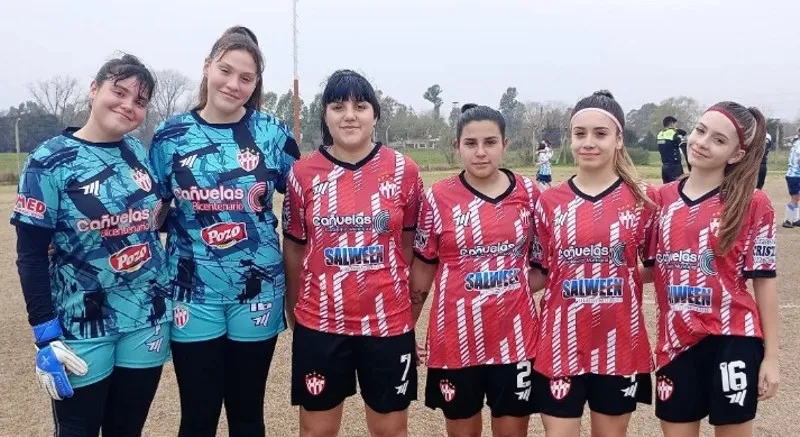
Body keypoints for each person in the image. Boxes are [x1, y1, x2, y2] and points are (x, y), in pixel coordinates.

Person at [148, 26, 299, 437]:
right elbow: (152, 209)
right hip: (191, 293)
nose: (233, 84)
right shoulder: (170, 135)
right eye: (225, 70)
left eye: (245, 78)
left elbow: (306, 199)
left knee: (247, 414)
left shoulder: (273, 133)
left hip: (258, 290)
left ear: (255, 85)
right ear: (207, 67)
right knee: (198, 416)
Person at [12, 54, 170, 436]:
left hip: (146, 318)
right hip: (80, 326)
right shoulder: (48, 161)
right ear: (94, 89)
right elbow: (30, 255)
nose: (128, 106)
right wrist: (44, 332)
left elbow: (154, 218)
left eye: (139, 101)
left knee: (127, 429)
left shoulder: (138, 153)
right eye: (119, 92)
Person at [282, 69, 423, 437]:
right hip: (321, 322)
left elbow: (407, 244)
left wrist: (403, 304)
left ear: (375, 114)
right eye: (337, 105)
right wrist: (295, 309)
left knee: (391, 431)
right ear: (325, 115)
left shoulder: (403, 171)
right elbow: (295, 246)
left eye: (360, 106)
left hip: (387, 324)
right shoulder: (303, 173)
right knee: (317, 432)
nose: (349, 115)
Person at [645, 102, 779, 437]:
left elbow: (764, 281)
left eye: (719, 140)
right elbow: (650, 268)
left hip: (733, 340)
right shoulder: (660, 199)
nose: (702, 142)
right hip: (675, 341)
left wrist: (772, 358)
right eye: (700, 130)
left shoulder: (753, 202)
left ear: (736, 154)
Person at [530, 90, 657, 437]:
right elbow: (541, 269)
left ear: (619, 139)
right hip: (559, 341)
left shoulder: (642, 200)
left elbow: (659, 265)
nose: (588, 142)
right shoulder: (549, 201)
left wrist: (624, 275)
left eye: (600, 134)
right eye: (579, 133)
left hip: (620, 344)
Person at [410, 104, 540, 437]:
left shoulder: (530, 194)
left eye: (490, 142)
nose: (480, 152)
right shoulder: (437, 198)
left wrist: (512, 286)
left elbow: (545, 265)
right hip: (454, 338)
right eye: (470, 143)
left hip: (516, 340)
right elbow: (424, 267)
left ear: (505, 144)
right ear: (457, 146)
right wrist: (405, 327)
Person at [658, 116, 685, 183]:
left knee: (666, 189)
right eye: (675, 124)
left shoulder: (660, 134)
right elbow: (684, 146)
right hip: (674, 167)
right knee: (677, 188)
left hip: (664, 167)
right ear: (671, 124)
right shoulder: (674, 133)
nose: (676, 126)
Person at [782, 128, 800, 227]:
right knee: (795, 198)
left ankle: (796, 219)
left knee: (798, 197)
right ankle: (788, 220)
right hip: (795, 175)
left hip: (794, 175)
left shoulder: (796, 143)